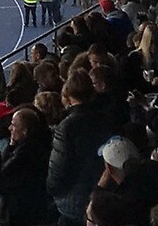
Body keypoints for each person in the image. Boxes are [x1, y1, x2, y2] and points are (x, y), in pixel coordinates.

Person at [47, 70, 115, 226]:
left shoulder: (66, 127)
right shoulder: (106, 118)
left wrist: (52, 189)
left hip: (73, 199)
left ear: (68, 96)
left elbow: (58, 168)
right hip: (100, 191)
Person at [0, 107, 55, 226]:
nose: (10, 128)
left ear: (25, 131)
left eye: (13, 125)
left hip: (19, 211)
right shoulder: (41, 146)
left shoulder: (25, 154)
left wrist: (10, 146)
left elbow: (2, 172)